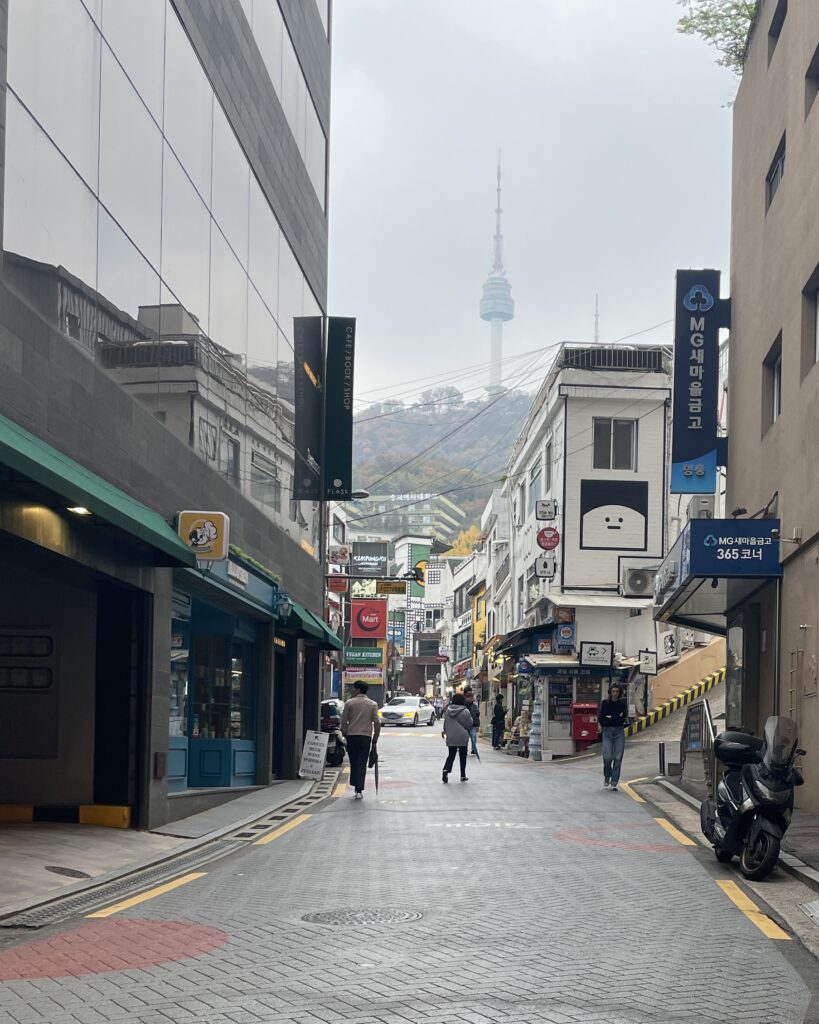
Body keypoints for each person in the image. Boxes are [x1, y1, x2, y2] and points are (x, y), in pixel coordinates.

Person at [341, 681, 381, 800]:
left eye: (354, 689)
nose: (353, 690)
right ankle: (359, 788)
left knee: (353, 762)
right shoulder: (372, 704)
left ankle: (356, 786)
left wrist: (344, 732)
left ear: (358, 690)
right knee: (361, 762)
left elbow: (344, 720)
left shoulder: (349, 703)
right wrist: (375, 737)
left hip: (352, 736)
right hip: (365, 737)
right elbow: (377, 722)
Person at [598, 682, 629, 791]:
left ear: (620, 692)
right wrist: (612, 718)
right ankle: (607, 776)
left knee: (617, 758)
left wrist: (610, 718)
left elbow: (621, 719)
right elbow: (602, 718)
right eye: (613, 691)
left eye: (617, 691)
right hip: (607, 732)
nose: (615, 693)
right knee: (607, 757)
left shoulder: (623, 705)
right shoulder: (605, 703)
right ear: (610, 692)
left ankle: (614, 781)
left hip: (619, 732)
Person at [442, 692, 474, 783]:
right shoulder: (465, 711)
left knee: (451, 755)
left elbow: (446, 723)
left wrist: (445, 731)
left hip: (451, 736)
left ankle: (446, 770)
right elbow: (470, 723)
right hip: (462, 736)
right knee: (463, 756)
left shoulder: (448, 711)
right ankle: (463, 775)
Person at [463, 688, 480, 755]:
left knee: (473, 737)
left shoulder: (475, 706)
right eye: (469, 698)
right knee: (465, 737)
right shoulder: (463, 706)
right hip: (465, 725)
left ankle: (473, 749)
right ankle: (465, 748)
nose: (470, 699)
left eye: (471, 697)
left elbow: (477, 716)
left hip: (473, 725)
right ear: (466, 698)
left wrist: (478, 725)